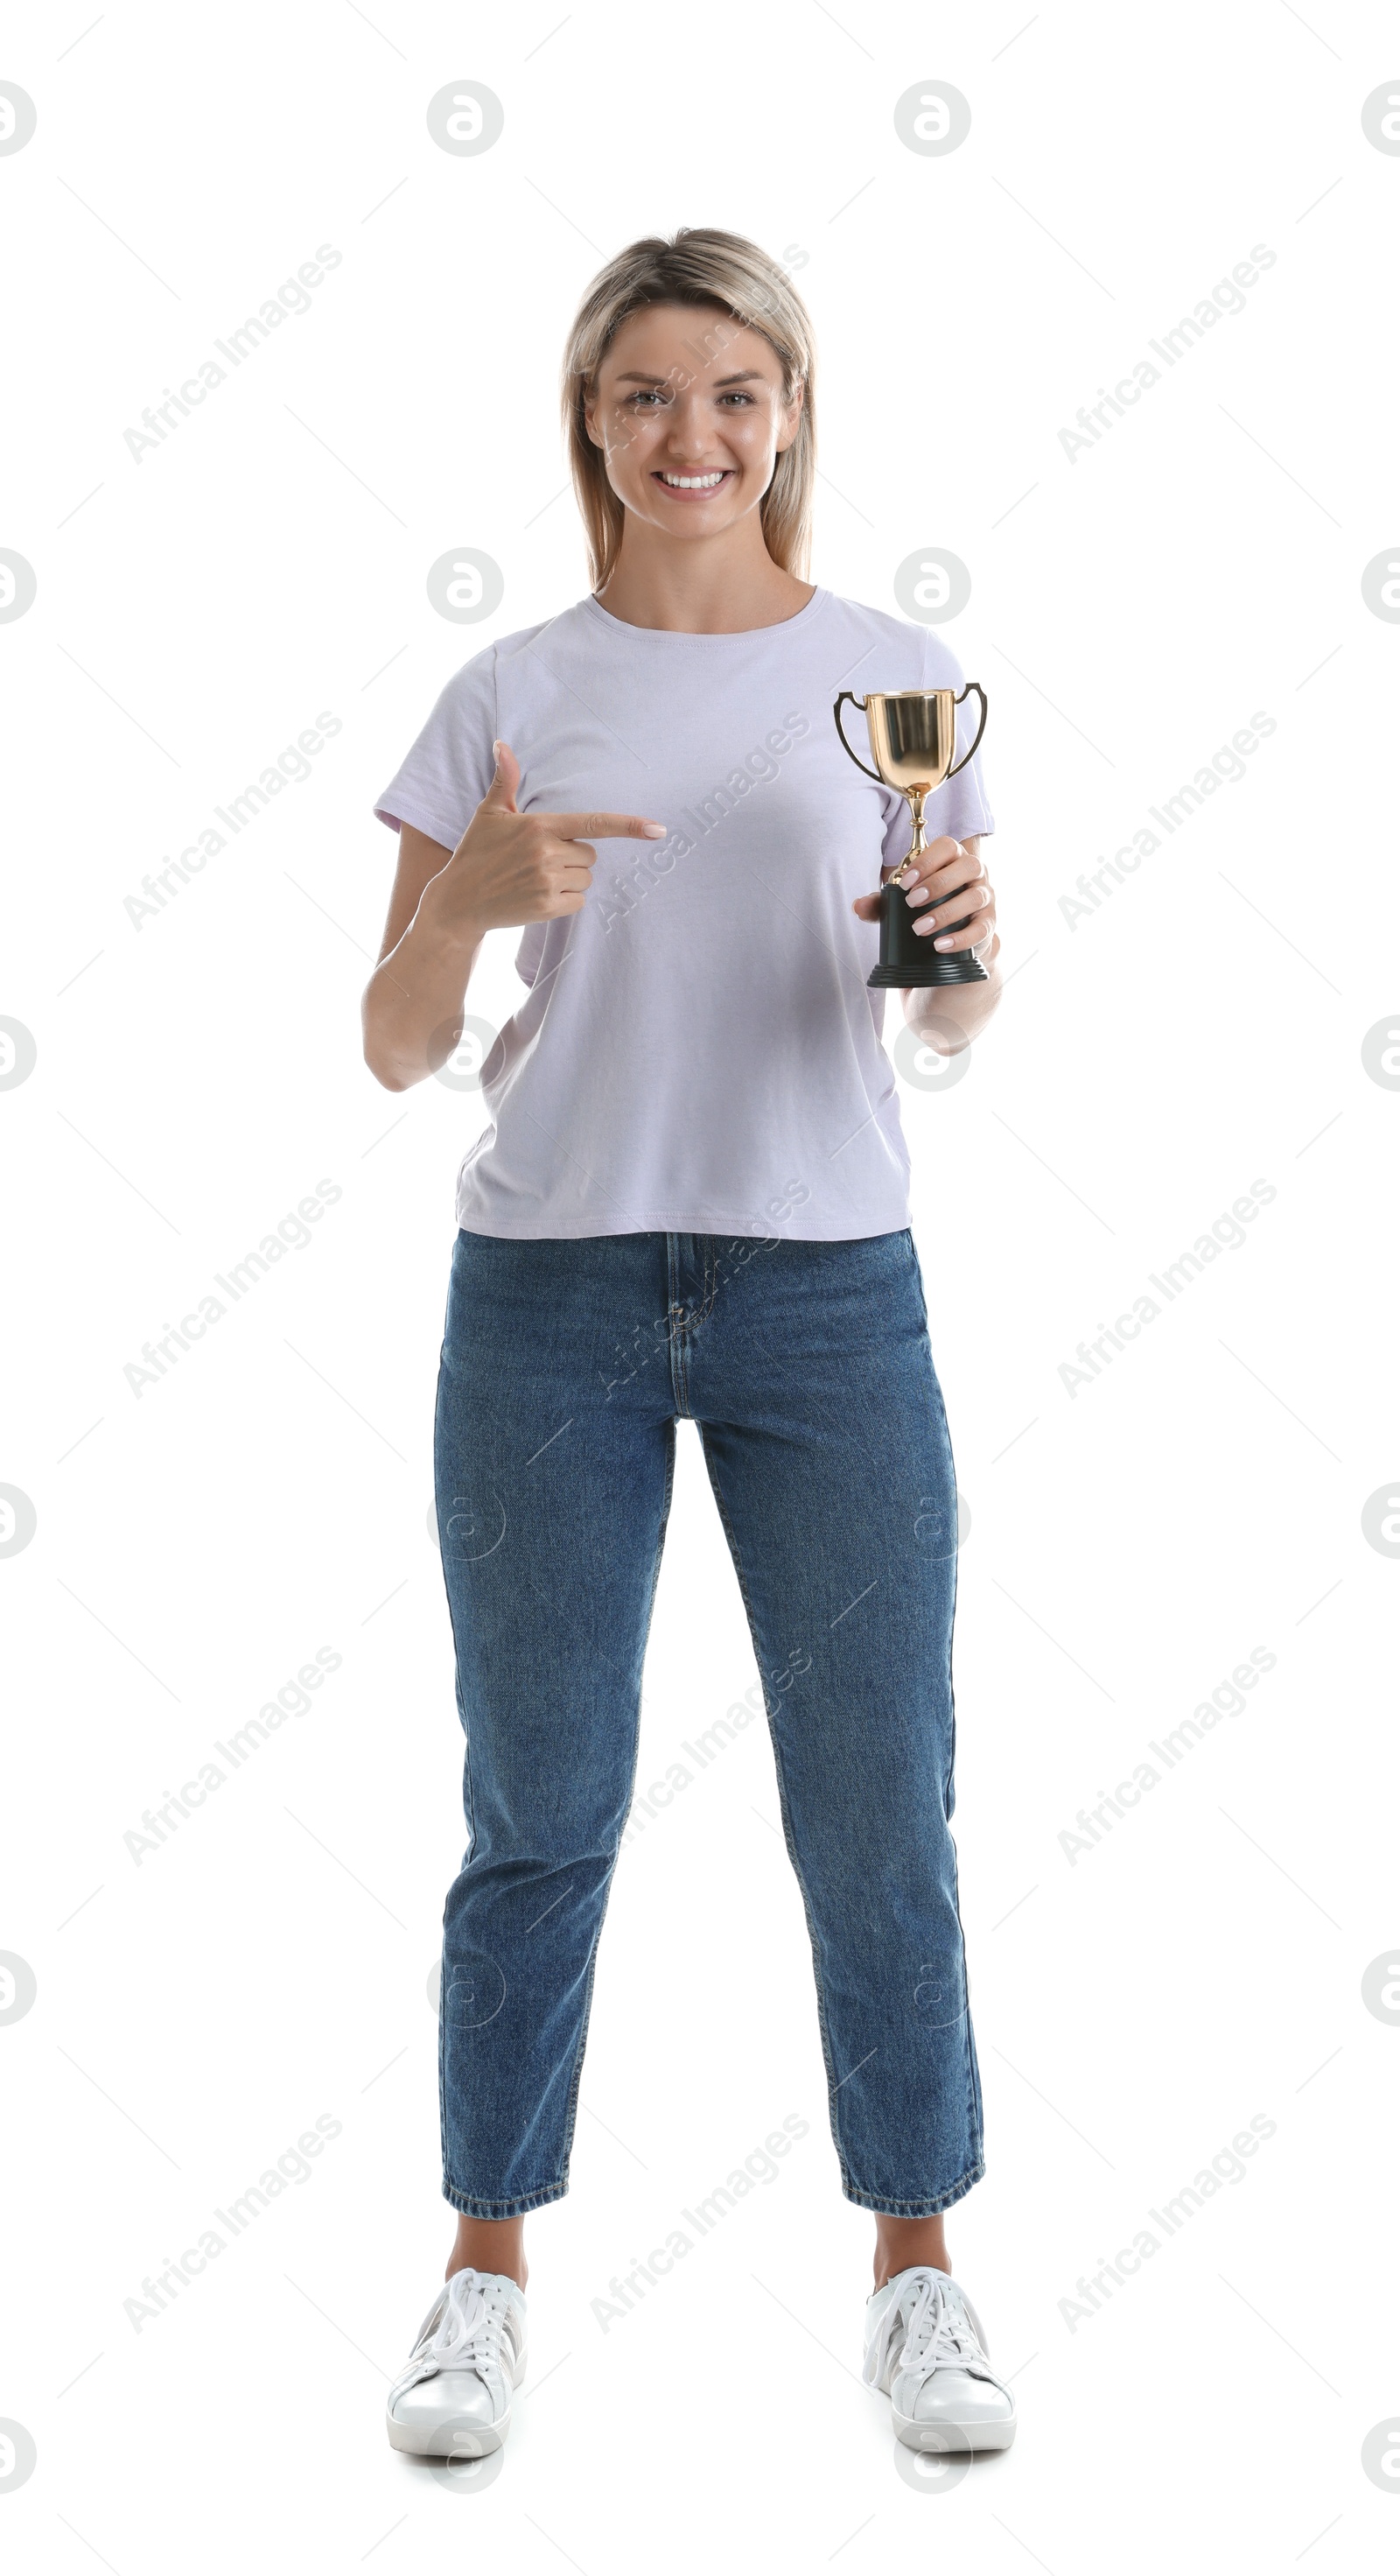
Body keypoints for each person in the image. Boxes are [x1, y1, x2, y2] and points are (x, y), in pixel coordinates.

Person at [362, 227, 1014, 2460]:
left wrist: (965, 938)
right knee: (535, 1800)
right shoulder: (507, 693)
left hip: (829, 1290)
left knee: (877, 1802)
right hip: (544, 1294)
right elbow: (387, 1043)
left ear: (791, 412)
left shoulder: (893, 673)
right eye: (645, 395)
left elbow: (948, 1004)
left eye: (732, 392)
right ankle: (480, 2270)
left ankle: (915, 2269)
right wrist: (460, 900)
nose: (691, 436)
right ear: (588, 423)